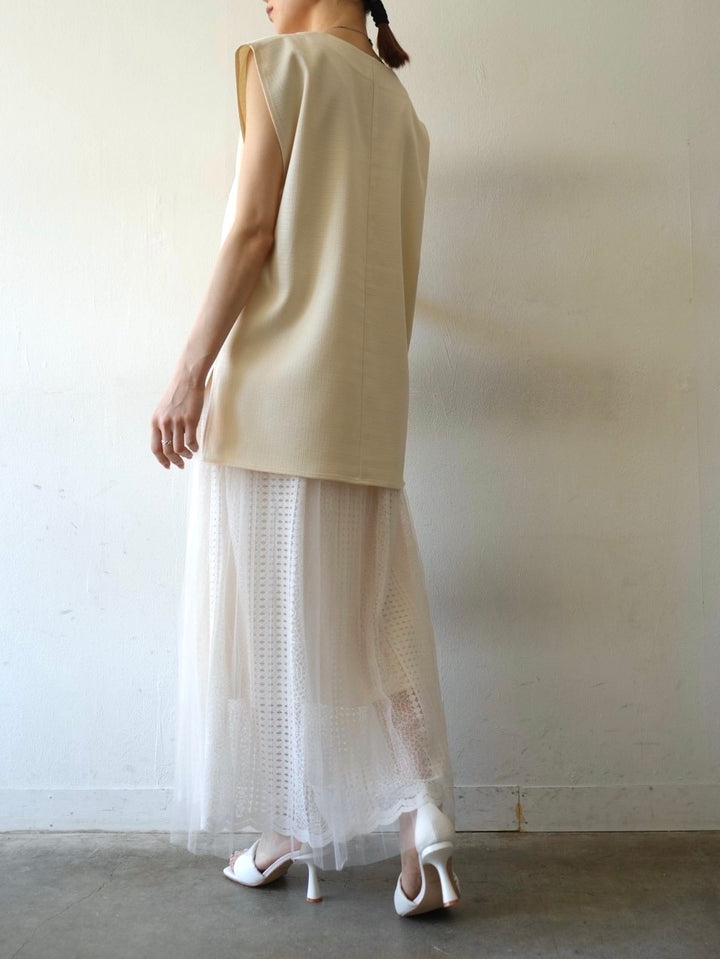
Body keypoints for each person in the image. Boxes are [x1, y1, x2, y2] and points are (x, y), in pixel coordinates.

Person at [150, 0, 461, 917]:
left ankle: (292, 828)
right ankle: (420, 815)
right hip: (369, 409)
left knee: (276, 634)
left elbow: (253, 232)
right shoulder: (402, 111)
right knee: (377, 624)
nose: (263, 4)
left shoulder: (280, 66)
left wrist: (187, 375)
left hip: (275, 400)